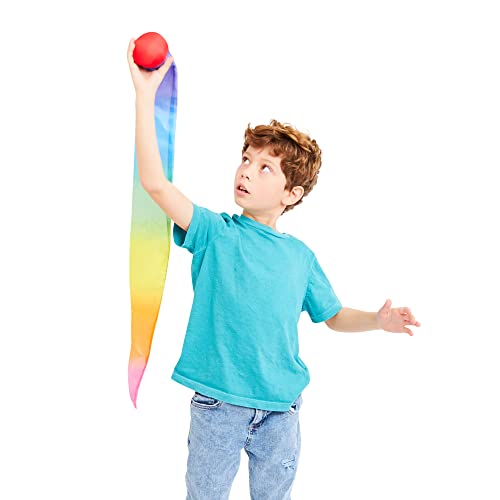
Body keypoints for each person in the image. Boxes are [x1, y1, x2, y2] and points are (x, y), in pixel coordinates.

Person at [127, 38, 421, 500]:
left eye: (265, 167)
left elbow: (332, 315)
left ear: (292, 193)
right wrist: (145, 97)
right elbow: (155, 184)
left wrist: (377, 321)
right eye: (246, 158)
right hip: (218, 406)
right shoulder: (214, 232)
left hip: (281, 410)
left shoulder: (300, 257)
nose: (246, 170)